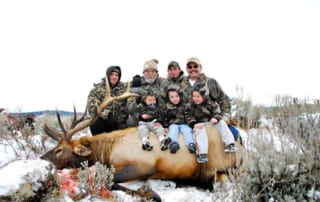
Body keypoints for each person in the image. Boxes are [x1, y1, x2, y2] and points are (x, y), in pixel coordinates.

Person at [181, 57, 237, 155]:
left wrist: (223, 118)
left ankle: (234, 157)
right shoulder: (181, 84)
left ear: (200, 67)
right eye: (189, 67)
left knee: (235, 133)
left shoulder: (211, 82)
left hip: (212, 120)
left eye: (195, 66)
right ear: (186, 69)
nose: (192, 69)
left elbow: (224, 101)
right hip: (190, 121)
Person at [185, 86, 237, 163]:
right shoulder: (190, 106)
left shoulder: (211, 103)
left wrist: (216, 118)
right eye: (194, 96)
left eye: (198, 96)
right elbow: (188, 116)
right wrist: (193, 124)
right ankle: (202, 154)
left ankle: (229, 144)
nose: (196, 98)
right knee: (199, 130)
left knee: (222, 123)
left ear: (204, 95)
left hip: (211, 122)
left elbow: (218, 112)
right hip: (200, 124)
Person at [86, 66, 129, 135]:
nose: (114, 77)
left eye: (117, 75)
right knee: (95, 122)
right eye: (112, 74)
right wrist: (107, 115)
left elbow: (134, 94)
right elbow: (92, 108)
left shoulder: (125, 88)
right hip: (103, 123)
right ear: (107, 75)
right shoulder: (97, 89)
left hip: (118, 124)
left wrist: (137, 82)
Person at [127, 59, 164, 126]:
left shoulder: (163, 83)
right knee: (130, 122)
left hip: (158, 115)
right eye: (147, 71)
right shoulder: (136, 84)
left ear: (157, 73)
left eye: (153, 71)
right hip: (141, 117)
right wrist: (136, 102)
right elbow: (129, 110)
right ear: (143, 73)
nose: (150, 74)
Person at [163, 85, 196, 154]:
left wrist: (192, 124)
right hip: (173, 124)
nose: (175, 99)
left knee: (188, 131)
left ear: (180, 96)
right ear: (168, 98)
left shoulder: (185, 105)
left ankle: (191, 144)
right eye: (172, 97)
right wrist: (165, 126)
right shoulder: (167, 106)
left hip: (184, 123)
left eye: (177, 96)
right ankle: (173, 144)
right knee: (172, 131)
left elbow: (189, 115)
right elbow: (164, 117)